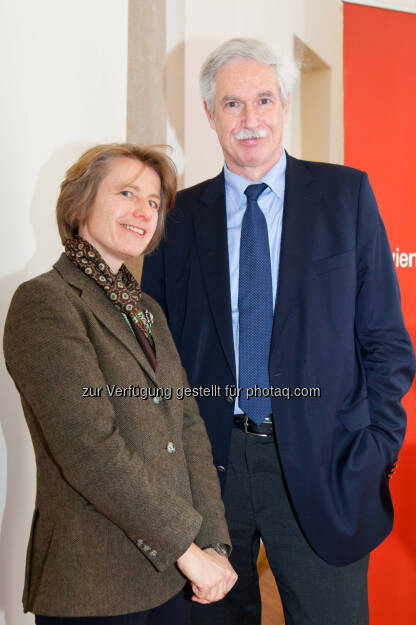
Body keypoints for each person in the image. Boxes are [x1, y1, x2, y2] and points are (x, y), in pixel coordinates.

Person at [141, 38, 416, 625]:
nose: (250, 119)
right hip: (209, 470)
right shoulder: (179, 217)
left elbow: (386, 340)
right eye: (232, 104)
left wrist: (376, 448)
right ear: (211, 115)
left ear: (285, 105)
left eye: (263, 99)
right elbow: (155, 353)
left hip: (327, 466)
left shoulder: (346, 196)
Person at [3, 143, 237, 625]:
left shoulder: (146, 310)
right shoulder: (45, 303)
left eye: (154, 201)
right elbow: (90, 449)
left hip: (171, 580)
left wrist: (212, 543)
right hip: (95, 583)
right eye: (128, 192)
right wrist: (188, 550)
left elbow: (188, 428)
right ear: (80, 203)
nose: (144, 211)